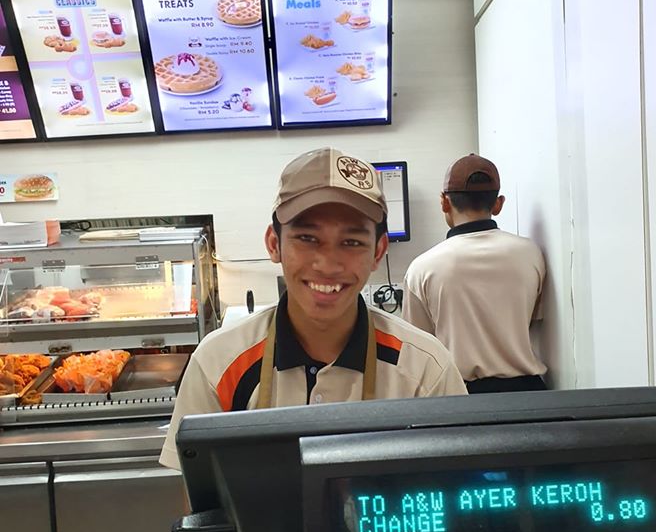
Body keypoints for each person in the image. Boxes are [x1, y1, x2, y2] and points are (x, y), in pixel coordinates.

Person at [160, 147, 465, 470]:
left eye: (351, 242)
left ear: (378, 251)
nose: (327, 265)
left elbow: (456, 481)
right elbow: (197, 493)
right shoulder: (217, 363)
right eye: (307, 238)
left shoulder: (425, 370)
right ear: (274, 244)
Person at [402, 153, 547, 394]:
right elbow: (531, 318)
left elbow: (418, 345)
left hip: (459, 396)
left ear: (444, 202)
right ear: (498, 204)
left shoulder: (422, 268)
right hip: (529, 395)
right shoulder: (531, 253)